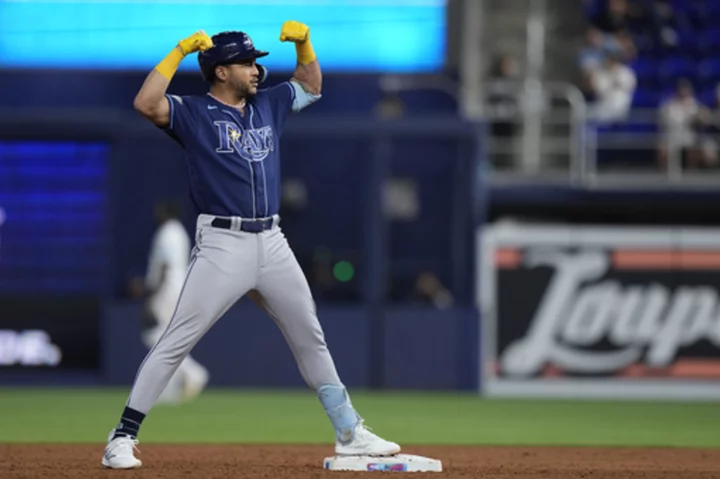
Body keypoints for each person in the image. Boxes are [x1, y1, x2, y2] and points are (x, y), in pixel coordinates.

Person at [101, 23, 400, 470]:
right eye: (245, 62)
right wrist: (178, 51)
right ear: (221, 71)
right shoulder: (195, 113)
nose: (256, 68)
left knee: (310, 336)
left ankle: (348, 431)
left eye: (256, 60)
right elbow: (146, 103)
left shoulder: (268, 104)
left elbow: (311, 85)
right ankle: (121, 436)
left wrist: (304, 44)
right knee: (176, 340)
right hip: (223, 242)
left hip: (273, 240)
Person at [127, 201, 209, 405]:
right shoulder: (179, 232)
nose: (156, 214)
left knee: (155, 335)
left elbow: (165, 265)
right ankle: (171, 388)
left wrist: (151, 291)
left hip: (167, 288)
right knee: (166, 336)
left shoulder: (167, 232)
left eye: (159, 210)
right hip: (177, 286)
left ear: (166, 212)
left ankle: (193, 372)